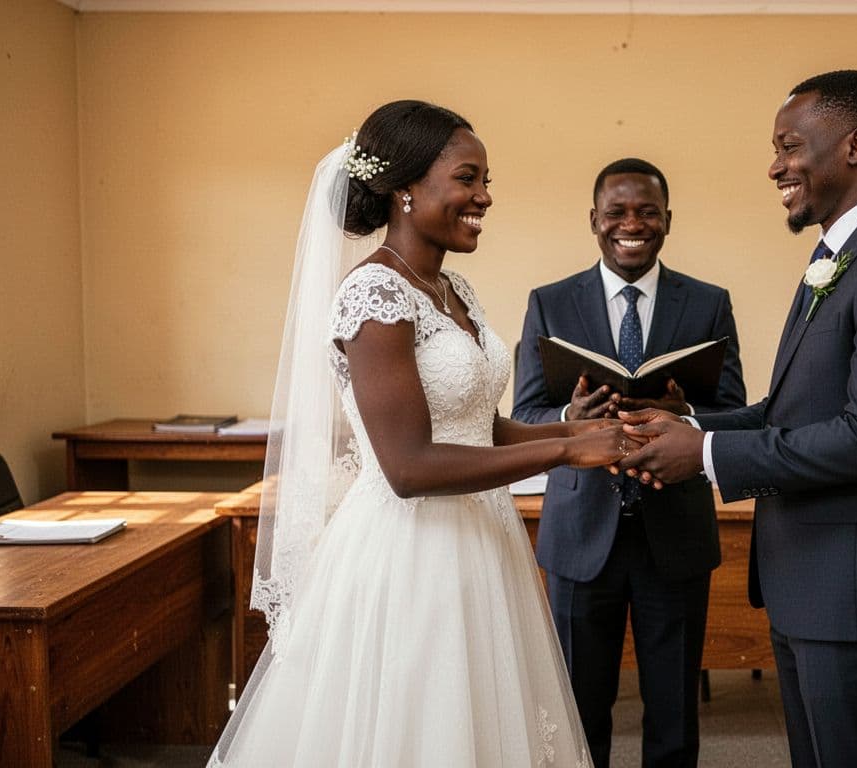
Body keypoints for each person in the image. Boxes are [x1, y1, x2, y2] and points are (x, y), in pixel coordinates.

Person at [209, 100, 631, 766]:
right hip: (412, 554)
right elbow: (407, 467)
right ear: (405, 188)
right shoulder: (375, 295)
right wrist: (566, 450)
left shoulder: (451, 287)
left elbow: (477, 427)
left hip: (481, 543)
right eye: (467, 178)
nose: (484, 197)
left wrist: (557, 428)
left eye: (485, 180)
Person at [615, 71, 857, 767]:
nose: (775, 165)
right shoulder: (838, 256)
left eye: (789, 145)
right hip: (814, 583)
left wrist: (706, 457)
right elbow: (792, 409)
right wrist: (694, 421)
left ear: (855, 144)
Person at [511, 158, 746, 768]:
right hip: (581, 533)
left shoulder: (709, 303)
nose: (632, 224)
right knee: (578, 710)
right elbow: (526, 415)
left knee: (673, 715)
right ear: (594, 220)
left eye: (647, 211)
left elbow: (736, 411)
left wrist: (686, 411)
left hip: (676, 536)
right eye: (617, 212)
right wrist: (572, 412)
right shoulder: (550, 303)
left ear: (668, 219)